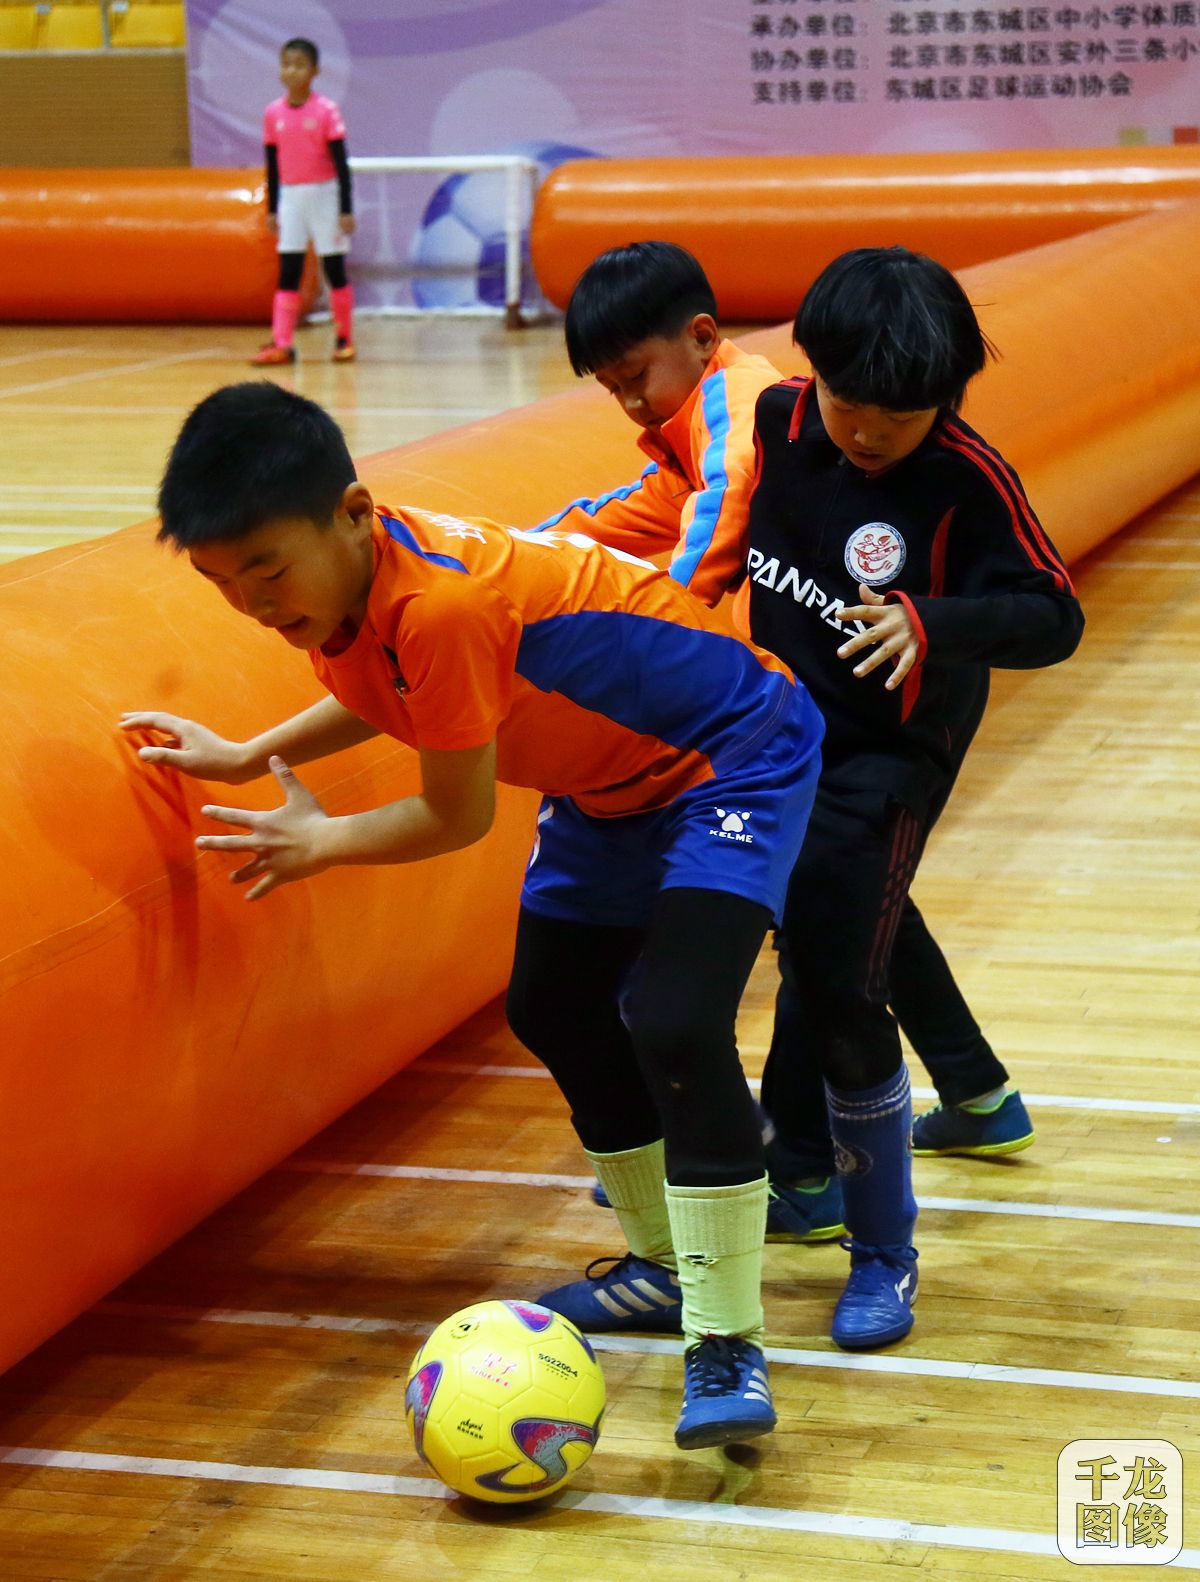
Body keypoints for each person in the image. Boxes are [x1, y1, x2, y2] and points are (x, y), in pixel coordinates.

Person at [121, 381, 824, 1451]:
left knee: (676, 1023)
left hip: (733, 755)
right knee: (554, 1003)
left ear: (352, 512)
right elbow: (377, 685)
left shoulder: (440, 603)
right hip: (609, 788)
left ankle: (726, 1337)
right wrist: (246, 752)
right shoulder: (351, 589)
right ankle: (659, 1270)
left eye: (267, 569)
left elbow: (452, 815)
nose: (254, 602)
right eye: (224, 582)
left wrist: (322, 844)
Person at [709, 247, 1084, 1347]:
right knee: (845, 916)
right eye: (847, 402)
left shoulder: (967, 477)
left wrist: (933, 617)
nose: (864, 432)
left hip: (891, 749)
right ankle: (974, 1095)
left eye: (896, 416)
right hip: (779, 733)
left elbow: (1053, 615)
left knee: (831, 957)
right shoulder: (780, 422)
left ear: (948, 399)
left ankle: (843, 1207)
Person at [530, 240, 783, 599]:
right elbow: (610, 521)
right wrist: (516, 551)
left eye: (635, 376)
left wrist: (674, 609)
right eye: (613, 388)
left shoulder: (739, 389)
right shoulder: (689, 460)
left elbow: (730, 491)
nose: (632, 402)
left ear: (702, 337)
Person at [252, 37, 356, 367]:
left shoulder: (326, 111)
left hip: (324, 194)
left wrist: (345, 208)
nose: (291, 71)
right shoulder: (273, 113)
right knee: (289, 269)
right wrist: (273, 207)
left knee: (333, 267)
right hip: (292, 197)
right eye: (286, 64)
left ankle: (344, 338)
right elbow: (272, 163)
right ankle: (282, 342)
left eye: (299, 65)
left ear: (314, 71)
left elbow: (341, 163)